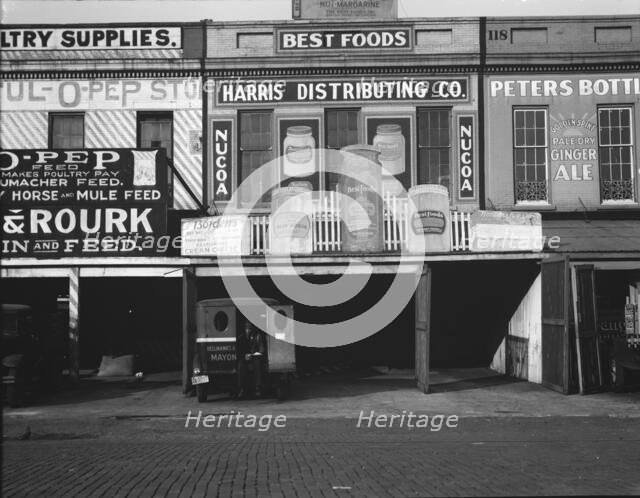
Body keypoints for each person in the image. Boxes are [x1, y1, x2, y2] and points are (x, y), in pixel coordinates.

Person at [237, 320, 266, 398]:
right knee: (241, 365)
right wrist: (244, 356)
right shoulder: (241, 337)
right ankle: (242, 388)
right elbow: (238, 351)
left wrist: (256, 354)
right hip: (245, 358)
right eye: (246, 328)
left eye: (249, 328)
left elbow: (262, 348)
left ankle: (257, 388)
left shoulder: (257, 336)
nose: (248, 330)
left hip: (255, 358)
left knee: (257, 363)